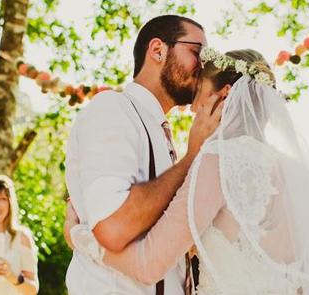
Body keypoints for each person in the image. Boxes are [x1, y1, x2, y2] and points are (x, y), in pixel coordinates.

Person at [67, 48, 309, 294]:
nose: (193, 109)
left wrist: (79, 236)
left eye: (198, 95)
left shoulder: (218, 163)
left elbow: (148, 265)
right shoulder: (294, 172)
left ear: (222, 96)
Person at [64, 14, 223, 295]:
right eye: (198, 53)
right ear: (158, 50)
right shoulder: (112, 109)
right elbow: (113, 227)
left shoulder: (162, 133)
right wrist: (191, 158)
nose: (204, 67)